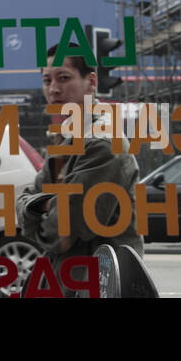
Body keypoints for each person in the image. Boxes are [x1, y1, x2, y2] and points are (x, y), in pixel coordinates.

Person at [16, 44, 143, 296]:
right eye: (47, 80)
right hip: (73, 284)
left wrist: (37, 207)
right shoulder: (68, 138)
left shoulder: (101, 143)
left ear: (91, 81)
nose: (53, 89)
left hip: (98, 286)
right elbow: (23, 205)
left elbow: (63, 231)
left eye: (64, 78)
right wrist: (42, 205)